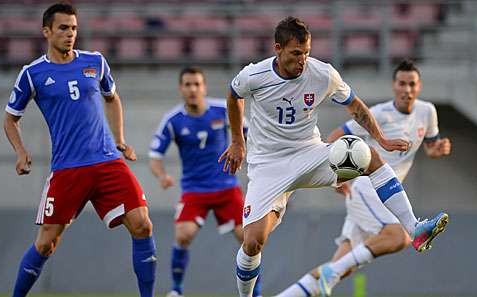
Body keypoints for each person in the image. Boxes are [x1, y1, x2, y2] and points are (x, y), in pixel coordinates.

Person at [218, 17, 448, 297]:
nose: (303, 59)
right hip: (268, 166)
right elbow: (233, 96)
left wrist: (383, 139)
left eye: (307, 52)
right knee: (253, 242)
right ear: (277, 49)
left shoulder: (323, 74)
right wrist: (237, 141)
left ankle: (414, 228)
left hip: (309, 152)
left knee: (370, 156)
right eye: (295, 53)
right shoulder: (255, 75)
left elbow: (354, 105)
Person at [4, 3, 156, 297]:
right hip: (68, 168)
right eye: (63, 28)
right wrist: (21, 152)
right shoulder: (32, 74)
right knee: (46, 243)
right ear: (47, 32)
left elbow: (112, 97)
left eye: (73, 28)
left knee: (143, 225)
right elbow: (11, 118)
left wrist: (120, 138)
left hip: (108, 161)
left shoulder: (95, 62)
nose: (70, 33)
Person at [275, 59, 452, 297]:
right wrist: (339, 174)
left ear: (419, 87)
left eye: (412, 84)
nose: (407, 90)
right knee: (398, 237)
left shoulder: (427, 112)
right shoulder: (379, 114)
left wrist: (437, 150)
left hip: (389, 197)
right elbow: (337, 135)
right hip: (367, 187)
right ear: (393, 85)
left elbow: (430, 147)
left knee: (341, 266)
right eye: (402, 83)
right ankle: (336, 270)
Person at [149, 67, 262, 297]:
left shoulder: (222, 109)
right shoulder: (173, 120)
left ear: (204, 87)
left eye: (197, 84)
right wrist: (162, 176)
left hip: (227, 188)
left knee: (250, 240)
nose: (193, 89)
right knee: (183, 235)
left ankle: (255, 292)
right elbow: (154, 156)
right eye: (188, 84)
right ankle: (176, 290)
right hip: (194, 190)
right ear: (181, 88)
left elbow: (254, 134)